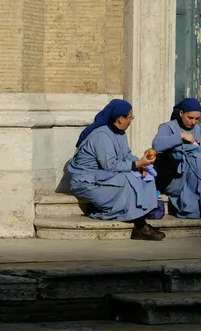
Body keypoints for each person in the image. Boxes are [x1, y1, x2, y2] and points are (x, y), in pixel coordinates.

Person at [67, 99, 164, 241]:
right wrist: (136, 165)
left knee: (146, 177)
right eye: (130, 117)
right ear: (120, 119)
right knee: (128, 179)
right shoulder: (102, 135)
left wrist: (142, 164)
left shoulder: (120, 133)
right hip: (86, 181)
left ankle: (142, 214)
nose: (131, 121)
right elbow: (110, 165)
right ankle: (140, 225)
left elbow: (126, 156)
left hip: (103, 177)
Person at [151, 98, 201, 219]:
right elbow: (156, 145)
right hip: (176, 178)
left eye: (197, 119)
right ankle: (193, 208)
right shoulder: (167, 127)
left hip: (200, 177)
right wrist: (180, 136)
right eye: (190, 118)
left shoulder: (199, 129)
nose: (193, 122)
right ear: (181, 113)